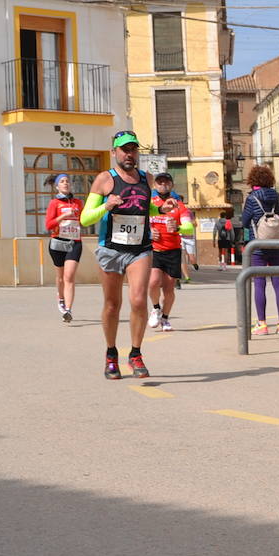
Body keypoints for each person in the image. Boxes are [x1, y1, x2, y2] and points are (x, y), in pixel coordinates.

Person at [79, 131, 175, 379]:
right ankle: (111, 355)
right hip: (111, 249)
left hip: (139, 249)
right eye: (124, 149)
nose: (129, 154)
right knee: (112, 305)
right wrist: (106, 206)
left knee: (138, 300)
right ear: (114, 153)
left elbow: (150, 205)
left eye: (133, 149)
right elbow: (85, 218)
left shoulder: (146, 178)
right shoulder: (104, 180)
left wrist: (161, 207)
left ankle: (135, 353)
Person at [241, 164, 279, 335]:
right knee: (278, 283)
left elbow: (245, 221)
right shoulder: (276, 196)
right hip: (277, 244)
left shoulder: (252, 198)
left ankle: (262, 324)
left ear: (253, 180)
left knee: (260, 284)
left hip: (258, 245)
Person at [147, 172, 194, 332]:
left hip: (173, 250)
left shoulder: (179, 205)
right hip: (154, 249)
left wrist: (178, 227)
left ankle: (165, 318)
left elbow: (189, 226)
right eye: (160, 182)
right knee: (153, 282)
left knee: (168, 289)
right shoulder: (151, 203)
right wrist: (149, 233)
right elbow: (140, 221)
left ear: (171, 185)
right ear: (155, 185)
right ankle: (155, 308)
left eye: (166, 182)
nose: (163, 185)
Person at [43, 173, 83, 323]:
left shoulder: (78, 202)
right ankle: (60, 297)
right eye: (62, 181)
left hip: (75, 242)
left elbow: (84, 221)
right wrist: (63, 217)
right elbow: (48, 225)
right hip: (58, 242)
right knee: (60, 277)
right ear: (57, 186)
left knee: (69, 276)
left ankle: (68, 309)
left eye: (67, 181)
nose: (66, 183)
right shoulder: (54, 203)